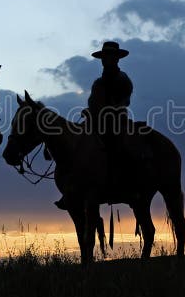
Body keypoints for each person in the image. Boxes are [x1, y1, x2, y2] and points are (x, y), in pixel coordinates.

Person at [55, 41, 133, 210]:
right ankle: (73, 187)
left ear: (117, 59)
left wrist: (110, 110)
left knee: (115, 144)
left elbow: (125, 100)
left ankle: (123, 182)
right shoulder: (98, 82)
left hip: (116, 120)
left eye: (110, 56)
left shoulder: (123, 79)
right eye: (104, 57)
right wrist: (90, 111)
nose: (106, 60)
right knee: (77, 143)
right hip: (96, 121)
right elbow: (93, 102)